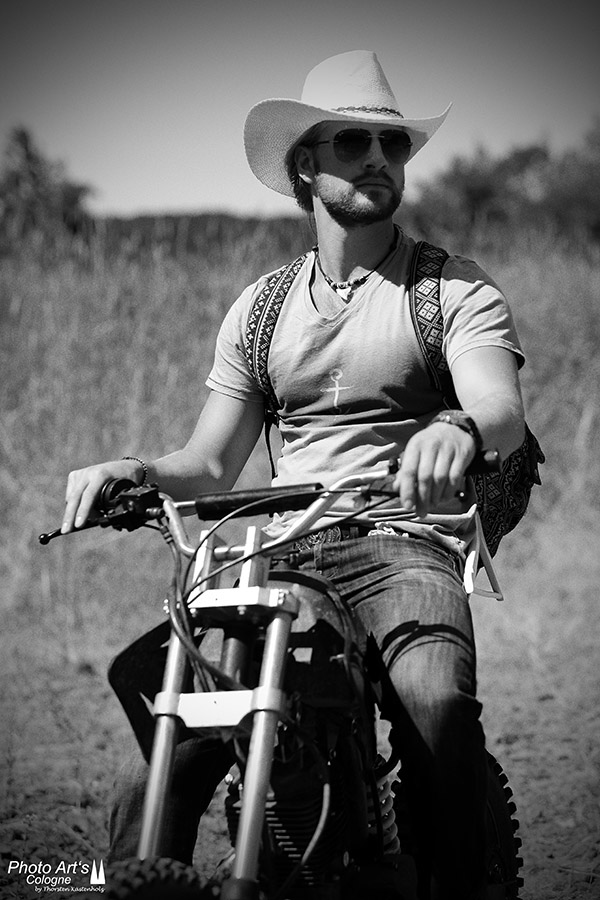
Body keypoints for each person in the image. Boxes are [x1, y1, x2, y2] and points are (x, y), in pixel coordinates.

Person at [63, 51, 526, 900]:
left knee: (439, 712)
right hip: (280, 552)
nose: (379, 159)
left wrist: (457, 427)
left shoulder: (451, 288)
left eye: (393, 144)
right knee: (171, 734)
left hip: (403, 543)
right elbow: (210, 462)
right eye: (354, 143)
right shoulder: (262, 307)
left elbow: (500, 407)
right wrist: (132, 470)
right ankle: (131, 882)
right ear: (305, 166)